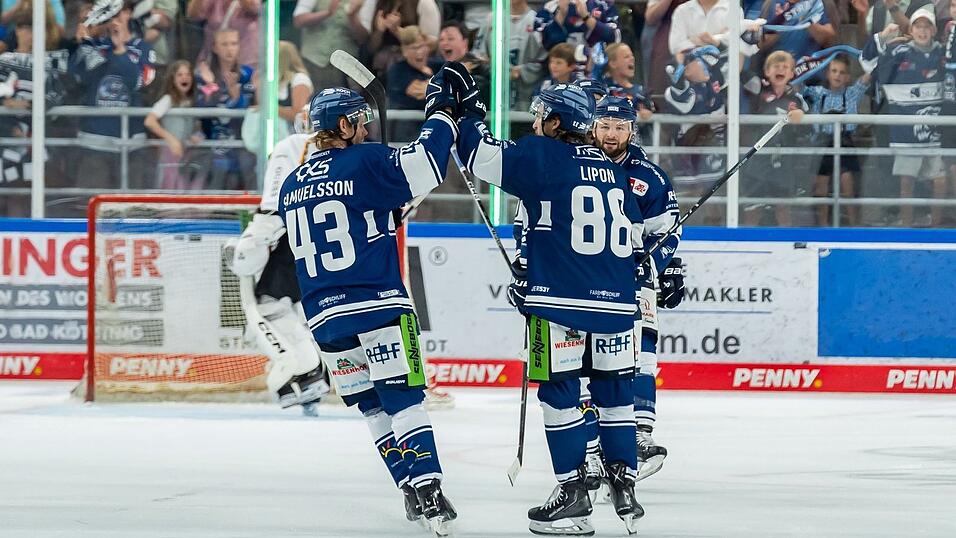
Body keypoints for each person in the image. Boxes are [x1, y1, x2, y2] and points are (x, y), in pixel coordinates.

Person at [276, 66, 466, 533]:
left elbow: (350, 218)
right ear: (341, 127)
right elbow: (428, 162)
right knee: (403, 398)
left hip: (324, 318)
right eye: (358, 122)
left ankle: (408, 487)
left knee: (371, 407)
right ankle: (430, 491)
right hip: (378, 304)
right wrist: (442, 112)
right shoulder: (366, 161)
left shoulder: (291, 186)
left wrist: (388, 212)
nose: (365, 129)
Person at [456, 74, 645, 535]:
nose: (535, 123)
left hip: (558, 305)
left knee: (559, 395)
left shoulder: (543, 153)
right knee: (614, 394)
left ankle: (574, 493)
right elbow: (627, 238)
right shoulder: (610, 167)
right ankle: (623, 481)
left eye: (540, 116)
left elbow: (476, 154)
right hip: (617, 305)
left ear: (557, 121)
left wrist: (467, 111)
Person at [591, 96, 683, 483]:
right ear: (593, 126)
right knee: (588, 362)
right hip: (583, 281)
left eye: (620, 127)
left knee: (642, 355)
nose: (612, 134)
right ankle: (590, 442)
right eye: (605, 126)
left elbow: (667, 232)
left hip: (635, 279)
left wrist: (665, 265)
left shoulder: (650, 177)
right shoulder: (570, 165)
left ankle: (640, 436)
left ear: (632, 130)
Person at [229, 105, 331, 412]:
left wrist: (253, 240)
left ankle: (306, 370)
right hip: (337, 246)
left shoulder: (294, 146)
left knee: (269, 303)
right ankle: (315, 378)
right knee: (305, 310)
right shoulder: (354, 153)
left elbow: (274, 206)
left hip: (300, 239)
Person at [862, 9, 946, 226]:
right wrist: (882, 37)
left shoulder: (943, 54)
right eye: (918, 26)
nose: (923, 31)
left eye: (927, 26)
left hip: (934, 133)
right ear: (911, 29)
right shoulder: (898, 52)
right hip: (906, 133)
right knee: (906, 183)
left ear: (934, 30)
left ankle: (936, 228)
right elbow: (868, 63)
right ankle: (907, 226)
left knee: (939, 181)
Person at [69, 0, 155, 189]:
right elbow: (79, 77)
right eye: (110, 14)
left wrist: (120, 50)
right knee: (92, 205)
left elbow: (139, 82)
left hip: (131, 144)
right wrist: (83, 44)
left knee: (131, 209)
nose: (114, 19)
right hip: (95, 143)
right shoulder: (95, 46)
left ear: (129, 13)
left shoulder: (143, 49)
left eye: (119, 13)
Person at [742, 50, 809, 226]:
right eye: (775, 66)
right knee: (752, 207)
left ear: (792, 73)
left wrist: (800, 115)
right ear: (766, 72)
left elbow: (807, 125)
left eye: (785, 67)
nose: (780, 69)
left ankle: (785, 247)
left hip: (783, 160)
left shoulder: (797, 99)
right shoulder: (758, 89)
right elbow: (739, 69)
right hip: (757, 159)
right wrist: (743, 43)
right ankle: (749, 245)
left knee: (783, 207)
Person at [799, 55, 867, 226]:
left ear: (849, 77)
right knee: (821, 188)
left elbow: (869, 75)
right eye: (834, 71)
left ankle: (853, 227)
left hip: (845, 143)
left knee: (848, 185)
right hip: (822, 144)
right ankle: (823, 228)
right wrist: (804, 64)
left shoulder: (852, 93)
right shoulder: (816, 93)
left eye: (842, 72)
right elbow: (795, 84)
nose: (837, 76)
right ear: (827, 74)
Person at [194, 27, 256, 190]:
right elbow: (200, 112)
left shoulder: (249, 74)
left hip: (244, 148)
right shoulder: (203, 75)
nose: (230, 49)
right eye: (225, 44)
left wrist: (237, 98)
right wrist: (211, 86)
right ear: (214, 47)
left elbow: (254, 112)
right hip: (213, 150)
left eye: (234, 44)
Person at [144, 59, 202, 190]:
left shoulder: (190, 101)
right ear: (173, 79)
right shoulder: (167, 99)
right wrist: (171, 140)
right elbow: (150, 121)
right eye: (180, 75)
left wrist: (192, 136)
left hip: (185, 153)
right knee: (170, 188)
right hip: (170, 154)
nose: (184, 78)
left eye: (188, 74)